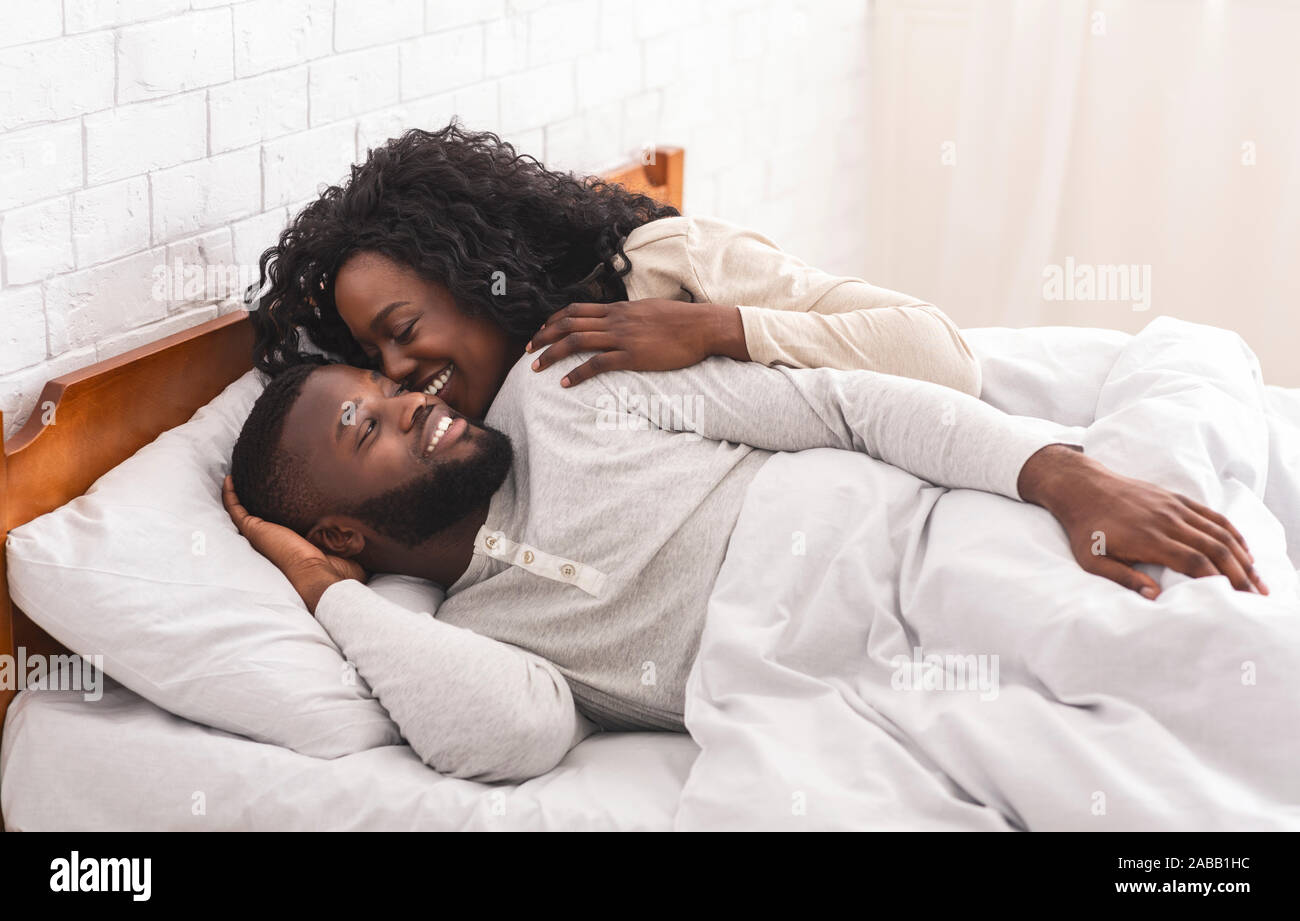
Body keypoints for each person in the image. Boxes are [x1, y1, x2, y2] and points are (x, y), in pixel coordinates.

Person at [223, 345, 1264, 783]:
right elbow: (514, 735)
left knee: (1210, 647)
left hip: (923, 541)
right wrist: (322, 594)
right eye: (370, 431)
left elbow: (843, 403)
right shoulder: (467, 638)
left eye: (383, 383)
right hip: (848, 686)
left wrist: (1059, 478)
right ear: (343, 536)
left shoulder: (563, 387)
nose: (414, 401)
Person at [247, 121, 983, 428]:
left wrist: (712, 329)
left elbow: (944, 358)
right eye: (373, 358)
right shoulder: (460, 445)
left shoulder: (666, 265)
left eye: (400, 330)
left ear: (478, 272)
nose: (397, 370)